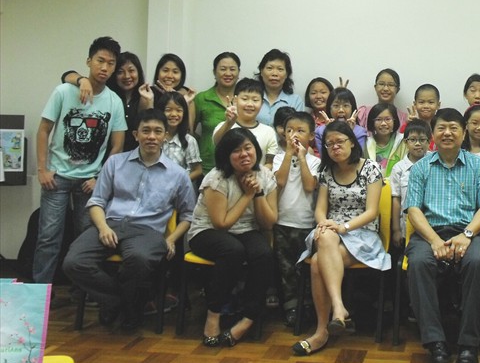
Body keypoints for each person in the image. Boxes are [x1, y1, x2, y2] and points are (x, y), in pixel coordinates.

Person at [62, 109, 196, 330]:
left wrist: (171, 239)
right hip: (111, 224)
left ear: (164, 136)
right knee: (74, 262)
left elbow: (188, 215)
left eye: (157, 131)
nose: (151, 136)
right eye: (146, 131)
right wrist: (103, 227)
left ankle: (119, 306)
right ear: (136, 134)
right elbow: (96, 202)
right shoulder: (115, 163)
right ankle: (120, 302)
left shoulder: (178, 174)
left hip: (148, 231)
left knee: (139, 260)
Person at [405, 108, 480, 363]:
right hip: (429, 233)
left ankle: (469, 344)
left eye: (454, 128)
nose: (447, 133)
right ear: (433, 134)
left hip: (470, 232)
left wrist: (467, 235)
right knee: (419, 263)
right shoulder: (420, 167)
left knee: (477, 262)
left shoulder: (479, 165)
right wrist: (434, 240)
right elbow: (413, 210)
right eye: (441, 128)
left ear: (464, 133)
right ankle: (435, 343)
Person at [292, 121, 391, 356]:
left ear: (352, 142)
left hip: (362, 232)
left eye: (340, 142)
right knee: (326, 237)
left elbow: (371, 212)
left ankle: (321, 331)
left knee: (317, 263)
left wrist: (342, 227)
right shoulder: (327, 172)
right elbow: (320, 210)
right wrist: (325, 223)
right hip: (331, 232)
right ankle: (338, 309)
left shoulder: (370, 168)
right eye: (329, 144)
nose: (335, 147)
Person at [34, 37, 127, 285]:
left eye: (110, 63)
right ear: (88, 61)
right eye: (100, 61)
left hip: (90, 182)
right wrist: (42, 169)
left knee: (86, 240)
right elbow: (43, 130)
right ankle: (41, 293)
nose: (104, 67)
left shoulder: (114, 101)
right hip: (57, 178)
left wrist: (100, 178)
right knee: (48, 238)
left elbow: (117, 146)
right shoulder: (64, 92)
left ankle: (83, 293)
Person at [187, 127, 278, 347]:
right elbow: (222, 223)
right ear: (226, 155)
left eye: (248, 148)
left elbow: (268, 223)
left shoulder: (266, 176)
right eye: (236, 151)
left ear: (256, 149)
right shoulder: (217, 178)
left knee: (264, 254)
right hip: (206, 231)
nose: (244, 154)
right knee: (232, 251)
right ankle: (214, 314)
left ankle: (248, 318)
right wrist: (247, 195)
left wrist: (258, 193)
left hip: (246, 229)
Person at [272, 111, 321, 328]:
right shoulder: (278, 158)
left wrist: (301, 157)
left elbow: (310, 186)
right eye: (290, 130)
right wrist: (289, 155)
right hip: (283, 222)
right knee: (286, 269)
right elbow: (280, 182)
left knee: (306, 268)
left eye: (300, 131)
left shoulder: (315, 161)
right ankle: (291, 307)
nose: (294, 135)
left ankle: (308, 305)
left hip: (306, 223)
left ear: (311, 136)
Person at [61, 51, 144, 152]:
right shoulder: (106, 95)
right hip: (104, 157)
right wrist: (82, 80)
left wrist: (148, 102)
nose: (127, 76)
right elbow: (66, 75)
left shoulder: (147, 95)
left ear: (139, 72)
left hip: (137, 156)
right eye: (120, 72)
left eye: (131, 70)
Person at [214, 78, 279, 167]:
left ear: (262, 103)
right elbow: (217, 143)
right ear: (235, 100)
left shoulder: (269, 132)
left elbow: (269, 163)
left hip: (257, 175)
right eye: (245, 99)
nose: (250, 104)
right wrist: (229, 123)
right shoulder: (224, 126)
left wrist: (255, 174)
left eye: (255, 100)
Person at [194, 52, 241, 174]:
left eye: (232, 69)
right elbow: (190, 132)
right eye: (223, 69)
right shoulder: (202, 98)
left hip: (239, 166)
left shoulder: (245, 99)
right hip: (208, 166)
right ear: (214, 72)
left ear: (238, 73)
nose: (228, 73)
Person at [389, 120, 432, 249]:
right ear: (405, 142)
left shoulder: (435, 162)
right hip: (407, 223)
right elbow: (396, 199)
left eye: (422, 140)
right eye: (413, 140)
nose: (418, 144)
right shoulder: (399, 168)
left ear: (429, 142)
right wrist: (396, 229)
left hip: (432, 222)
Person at [139, 53, 197, 131]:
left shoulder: (187, 96)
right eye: (165, 70)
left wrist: (179, 99)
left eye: (175, 72)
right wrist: (150, 101)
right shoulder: (147, 94)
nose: (169, 76)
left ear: (182, 75)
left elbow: (189, 131)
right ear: (158, 72)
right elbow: (144, 129)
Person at [156, 91, 203, 184]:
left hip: (181, 188)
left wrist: (179, 184)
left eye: (179, 110)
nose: (174, 114)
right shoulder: (154, 138)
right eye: (168, 110)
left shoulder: (189, 140)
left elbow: (197, 170)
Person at [255, 49, 305, 126]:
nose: (274, 73)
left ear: (287, 74)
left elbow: (298, 128)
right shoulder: (252, 98)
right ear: (261, 71)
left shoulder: (295, 101)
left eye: (280, 69)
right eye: (270, 68)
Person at [314, 87, 367, 154]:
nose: (341, 110)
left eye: (345, 105)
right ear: (329, 109)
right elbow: (324, 157)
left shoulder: (360, 132)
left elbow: (357, 156)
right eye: (336, 106)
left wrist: (349, 132)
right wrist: (328, 132)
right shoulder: (320, 132)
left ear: (352, 109)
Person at [364, 102, 407, 178]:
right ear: (372, 122)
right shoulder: (366, 143)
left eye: (388, 119)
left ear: (394, 121)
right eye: (378, 119)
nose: (383, 123)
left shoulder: (403, 141)